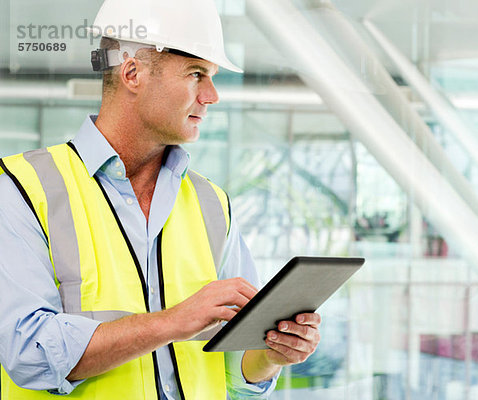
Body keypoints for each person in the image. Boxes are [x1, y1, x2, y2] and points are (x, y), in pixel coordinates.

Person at [0, 0, 321, 398]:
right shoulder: (21, 188)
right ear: (133, 73)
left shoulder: (212, 203)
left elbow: (236, 375)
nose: (212, 95)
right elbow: (29, 354)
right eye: (197, 73)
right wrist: (173, 321)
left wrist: (271, 354)